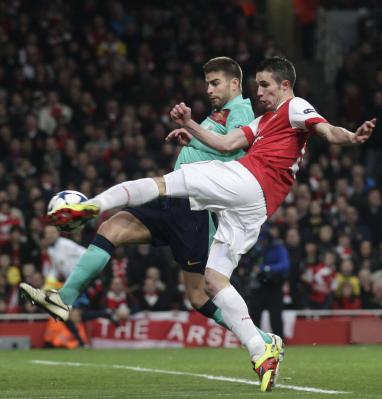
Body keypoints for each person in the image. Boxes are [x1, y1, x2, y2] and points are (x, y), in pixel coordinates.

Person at [21, 56, 375, 391]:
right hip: (257, 206)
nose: (260, 93)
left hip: (247, 182)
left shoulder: (293, 106)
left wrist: (351, 136)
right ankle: (261, 349)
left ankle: (91, 205)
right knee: (213, 280)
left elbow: (325, 129)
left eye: (265, 86)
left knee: (164, 183)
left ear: (284, 85)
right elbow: (225, 143)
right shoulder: (262, 122)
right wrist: (190, 125)